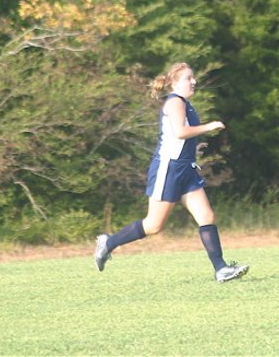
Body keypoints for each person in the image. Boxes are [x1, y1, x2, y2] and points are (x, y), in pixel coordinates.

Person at [94, 62, 249, 283]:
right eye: (188, 78)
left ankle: (221, 269)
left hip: (186, 168)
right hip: (169, 169)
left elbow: (180, 137)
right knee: (154, 225)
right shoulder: (175, 102)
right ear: (175, 83)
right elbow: (180, 132)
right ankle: (108, 243)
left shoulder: (186, 103)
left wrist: (192, 148)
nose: (194, 81)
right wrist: (209, 126)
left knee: (206, 217)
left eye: (193, 77)